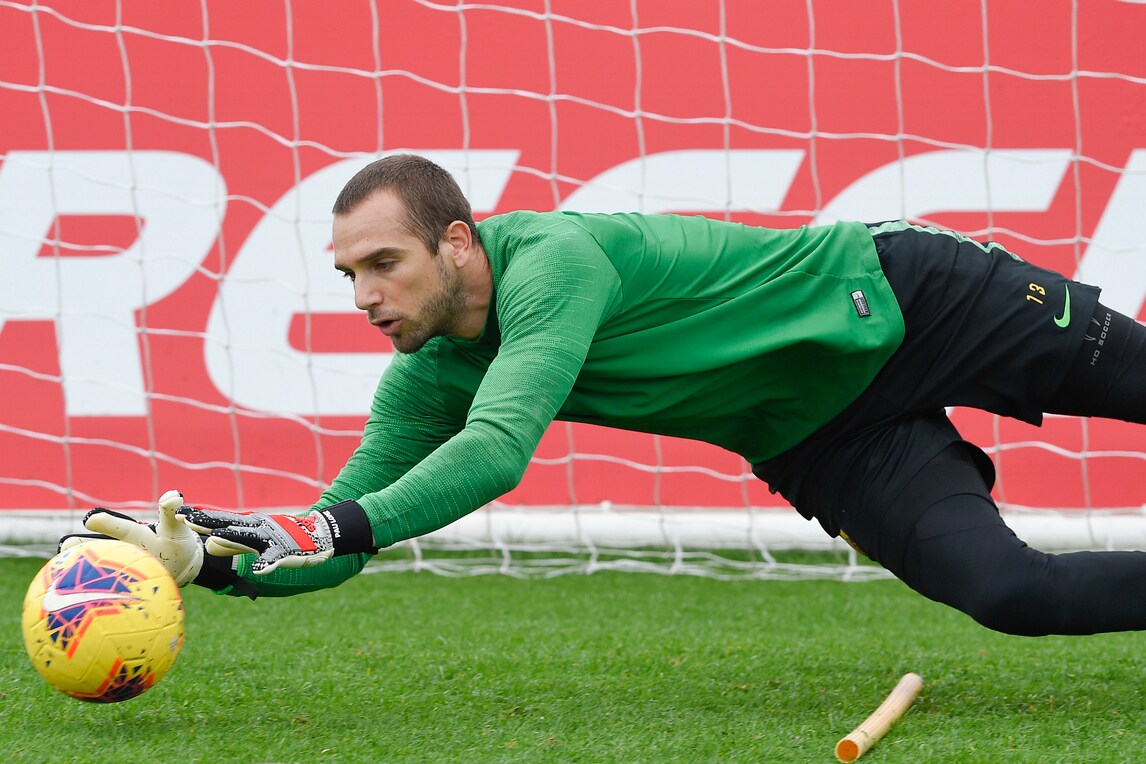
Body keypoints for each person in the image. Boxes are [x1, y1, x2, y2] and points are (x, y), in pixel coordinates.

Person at [63, 153, 1146, 636]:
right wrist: (212, 567)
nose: (364, 295)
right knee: (1010, 594)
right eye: (348, 274)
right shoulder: (426, 373)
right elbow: (344, 536)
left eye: (384, 263)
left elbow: (499, 450)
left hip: (911, 298)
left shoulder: (554, 260)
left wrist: (324, 522)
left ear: (458, 241)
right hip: (826, 436)